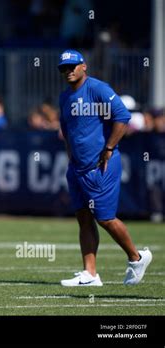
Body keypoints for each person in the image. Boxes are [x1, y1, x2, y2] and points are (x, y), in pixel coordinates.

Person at [57, 49, 152, 286]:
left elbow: (122, 116)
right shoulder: (64, 96)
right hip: (77, 167)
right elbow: (67, 129)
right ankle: (90, 274)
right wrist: (71, 155)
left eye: (72, 67)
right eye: (63, 68)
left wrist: (109, 148)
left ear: (84, 66)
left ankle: (136, 257)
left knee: (105, 218)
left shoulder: (98, 89)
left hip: (101, 164)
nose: (68, 71)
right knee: (83, 217)